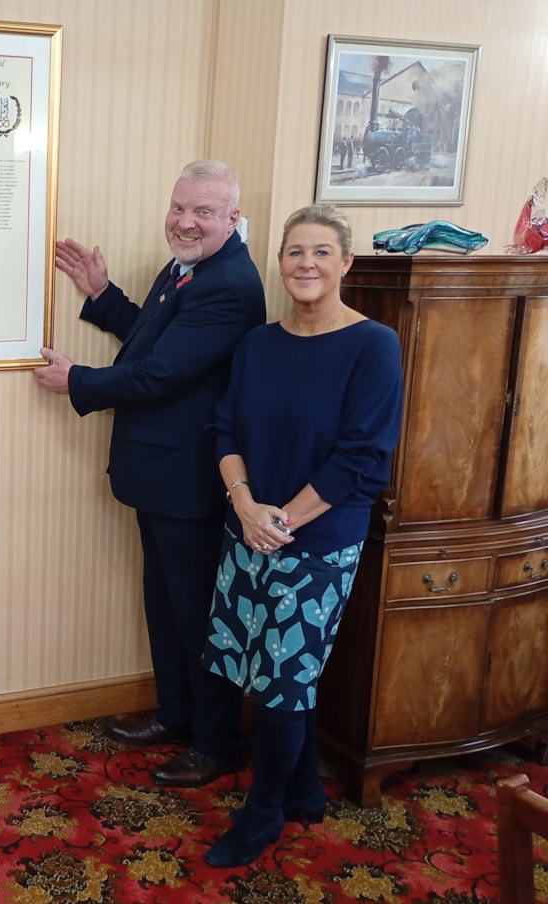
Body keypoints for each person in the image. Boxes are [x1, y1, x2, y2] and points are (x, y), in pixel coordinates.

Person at [38, 159, 265, 788]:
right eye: (179, 207)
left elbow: (160, 374)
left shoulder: (230, 283)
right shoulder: (189, 267)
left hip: (189, 480)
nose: (185, 222)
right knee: (165, 606)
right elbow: (156, 339)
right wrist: (103, 295)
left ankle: (217, 742)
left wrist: (78, 381)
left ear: (232, 218)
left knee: (196, 614)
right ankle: (178, 714)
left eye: (203, 212)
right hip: (160, 475)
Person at [200, 204, 403, 868]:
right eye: (294, 251)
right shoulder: (258, 344)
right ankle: (305, 790)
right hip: (248, 525)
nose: (306, 263)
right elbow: (225, 430)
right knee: (266, 666)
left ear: (346, 263)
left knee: (285, 677)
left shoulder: (374, 345)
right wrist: (245, 505)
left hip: (318, 539)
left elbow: (361, 459)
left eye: (321, 252)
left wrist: (280, 520)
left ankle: (265, 812)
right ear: (280, 262)